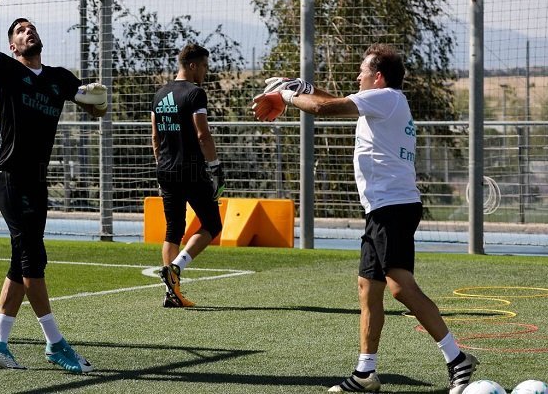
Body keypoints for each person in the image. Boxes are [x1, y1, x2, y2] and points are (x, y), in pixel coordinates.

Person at [251, 43, 479, 394]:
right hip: (383, 208)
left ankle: (457, 358)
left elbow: (326, 108)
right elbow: (335, 100)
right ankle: (365, 373)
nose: (357, 76)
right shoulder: (383, 101)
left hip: (394, 208)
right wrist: (302, 87)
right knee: (367, 289)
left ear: (379, 76)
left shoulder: (386, 97)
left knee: (400, 287)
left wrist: (286, 94)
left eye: (362, 71)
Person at [0, 0, 108, 373]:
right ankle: (56, 344)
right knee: (33, 258)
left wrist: (97, 99)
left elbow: (95, 108)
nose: (28, 32)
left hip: (37, 181)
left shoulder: (60, 78)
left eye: (31, 28)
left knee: (19, 262)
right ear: (12, 46)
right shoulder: (7, 71)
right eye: (20, 31)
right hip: (10, 177)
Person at [151, 43, 225, 308]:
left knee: (173, 230)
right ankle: (177, 268)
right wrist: (215, 166)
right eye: (204, 65)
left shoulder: (160, 94)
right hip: (191, 169)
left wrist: (162, 167)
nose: (206, 71)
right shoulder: (195, 93)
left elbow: (155, 137)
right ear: (192, 65)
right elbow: (202, 134)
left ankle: (172, 293)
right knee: (213, 224)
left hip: (166, 169)